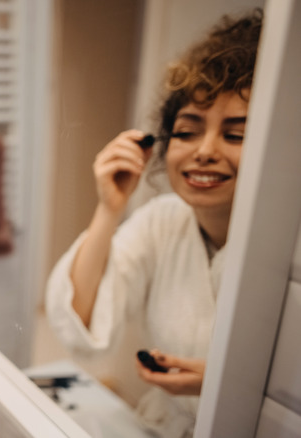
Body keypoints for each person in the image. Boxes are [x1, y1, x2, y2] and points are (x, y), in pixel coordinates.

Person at [44, 9, 262, 438]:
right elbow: (80, 324)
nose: (204, 151)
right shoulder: (163, 221)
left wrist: (229, 385)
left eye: (236, 135)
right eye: (187, 131)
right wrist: (109, 208)